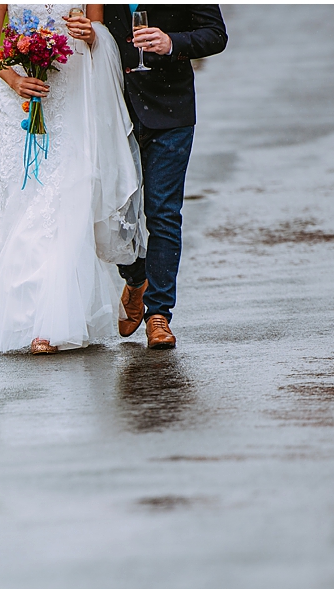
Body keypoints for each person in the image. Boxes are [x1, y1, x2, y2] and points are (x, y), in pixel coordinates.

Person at [0, 4, 145, 354]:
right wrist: (15, 79)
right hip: (21, 98)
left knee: (64, 200)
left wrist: (91, 34)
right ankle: (28, 319)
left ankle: (51, 324)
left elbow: (98, 32)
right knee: (23, 202)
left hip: (71, 94)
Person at [104, 5, 227, 349]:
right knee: (112, 212)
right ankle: (136, 276)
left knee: (163, 212)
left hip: (171, 110)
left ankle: (158, 314)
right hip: (112, 110)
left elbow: (215, 35)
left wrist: (171, 42)